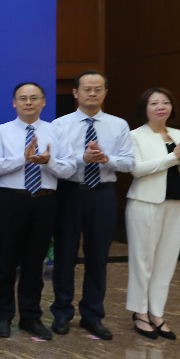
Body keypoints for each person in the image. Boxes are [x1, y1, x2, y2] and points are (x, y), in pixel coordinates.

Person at [0, 82, 74, 341]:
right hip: (11, 201)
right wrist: (23, 158)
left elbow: (69, 169)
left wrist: (49, 161)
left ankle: (30, 317)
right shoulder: (0, 131)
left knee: (35, 263)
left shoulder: (57, 132)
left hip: (44, 201)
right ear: (14, 103)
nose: (28, 103)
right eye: (23, 98)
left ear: (43, 101)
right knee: (6, 262)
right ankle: (2, 317)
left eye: (34, 98)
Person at [50, 70, 135, 340]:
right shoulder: (60, 125)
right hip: (69, 192)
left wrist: (107, 159)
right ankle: (62, 312)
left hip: (102, 194)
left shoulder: (119, 125)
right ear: (75, 92)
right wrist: (82, 158)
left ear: (105, 93)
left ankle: (93, 315)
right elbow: (55, 161)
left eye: (98, 89)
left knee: (98, 257)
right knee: (65, 255)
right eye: (87, 89)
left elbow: (129, 163)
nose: (92, 93)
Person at [125, 88, 180, 341]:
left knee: (166, 261)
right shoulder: (135, 135)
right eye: (154, 103)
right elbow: (136, 169)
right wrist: (173, 157)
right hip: (145, 203)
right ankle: (139, 312)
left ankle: (157, 313)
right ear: (145, 108)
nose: (160, 107)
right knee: (143, 260)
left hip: (179, 203)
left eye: (165, 102)